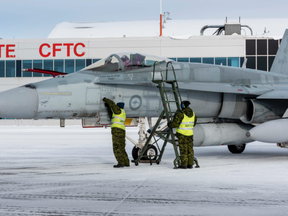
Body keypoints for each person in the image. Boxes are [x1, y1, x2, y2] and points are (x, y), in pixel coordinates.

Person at [168, 101, 197, 169]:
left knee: (184, 150)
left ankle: (184, 165)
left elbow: (175, 124)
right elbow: (194, 123)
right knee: (190, 150)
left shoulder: (181, 114)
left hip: (182, 135)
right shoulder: (193, 113)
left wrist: (169, 125)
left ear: (183, 106)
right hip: (190, 134)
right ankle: (190, 164)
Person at [103, 97, 130, 168]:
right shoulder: (122, 113)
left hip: (117, 131)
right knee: (122, 147)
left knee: (116, 147)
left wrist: (106, 99)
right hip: (122, 131)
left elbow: (112, 104)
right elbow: (111, 115)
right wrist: (108, 107)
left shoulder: (118, 111)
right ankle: (126, 162)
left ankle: (120, 162)